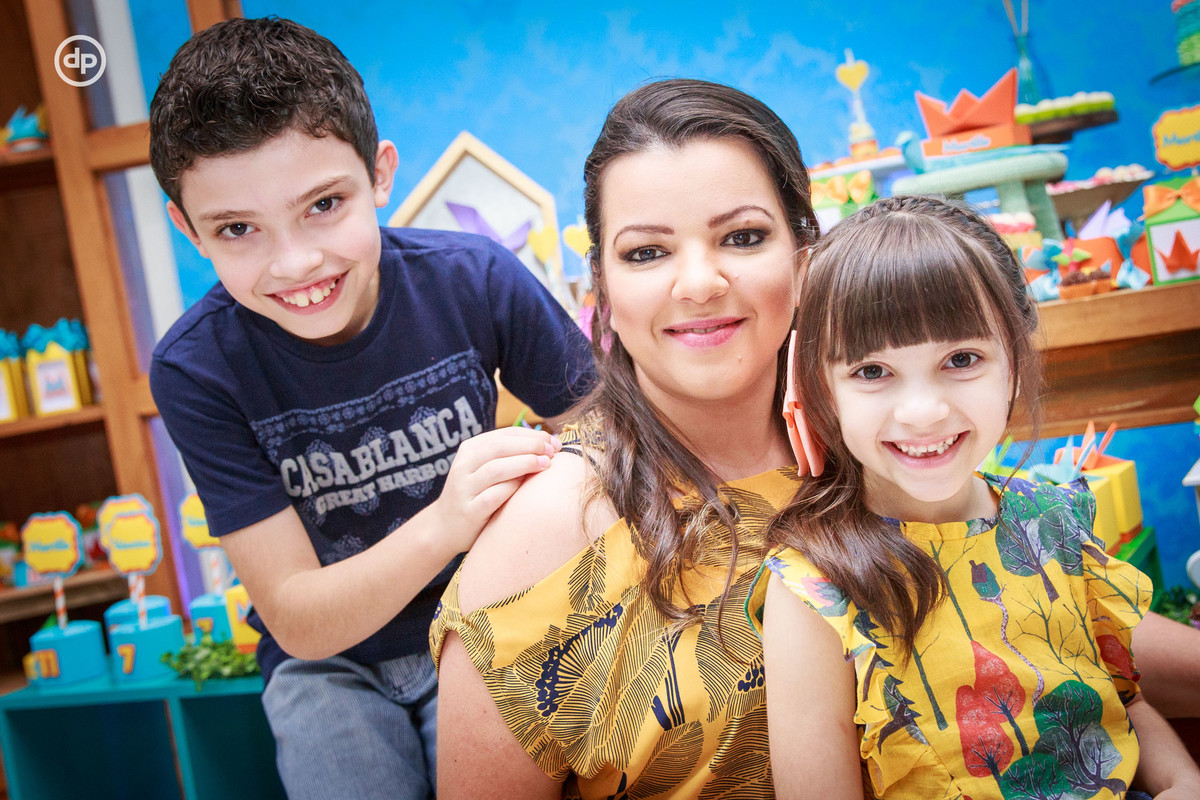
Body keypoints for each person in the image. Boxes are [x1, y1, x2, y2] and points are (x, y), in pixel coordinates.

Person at [147, 17, 593, 800]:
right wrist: (447, 523)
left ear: (379, 175)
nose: (296, 262)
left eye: (323, 204)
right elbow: (298, 619)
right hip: (326, 669)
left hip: (485, 620)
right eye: (238, 228)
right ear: (187, 229)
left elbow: (614, 443)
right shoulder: (196, 368)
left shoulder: (476, 279)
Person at [432, 78, 818, 798]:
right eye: (646, 252)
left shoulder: (880, 459)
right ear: (601, 287)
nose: (699, 283)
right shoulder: (549, 529)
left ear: (803, 257)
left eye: (742, 237)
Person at [750, 195, 1200, 799]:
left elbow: (1121, 698)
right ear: (820, 388)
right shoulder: (815, 587)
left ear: (1014, 359)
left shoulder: (1054, 522)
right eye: (872, 371)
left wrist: (1180, 779)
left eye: (961, 359)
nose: (923, 411)